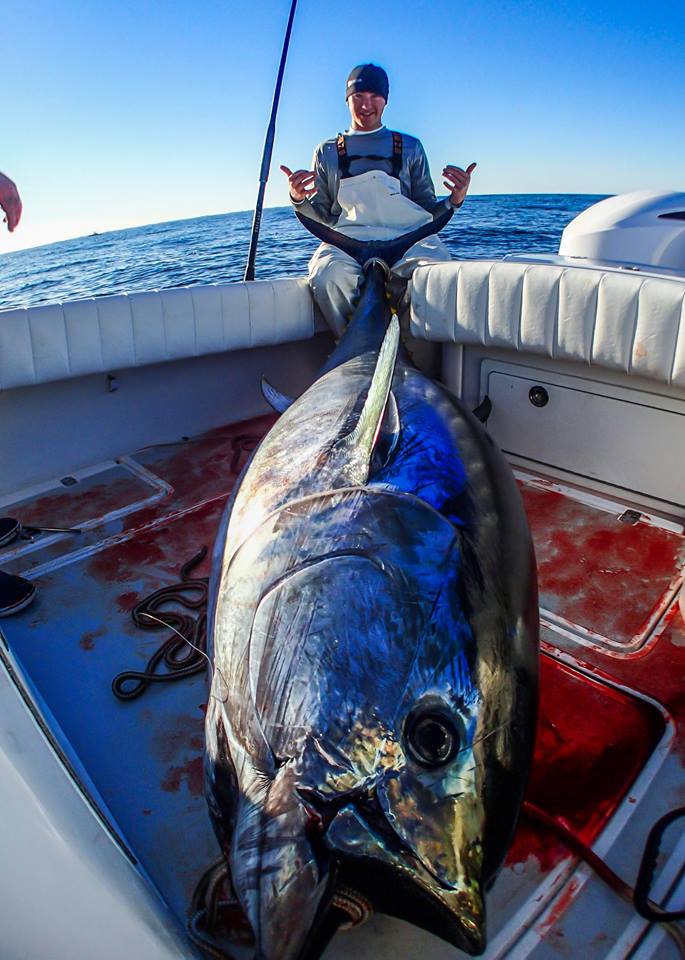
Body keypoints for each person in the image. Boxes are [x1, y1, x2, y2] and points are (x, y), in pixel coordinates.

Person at [281, 63, 476, 337]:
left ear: (386, 100)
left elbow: (427, 209)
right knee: (327, 278)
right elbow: (323, 216)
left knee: (439, 278)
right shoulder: (326, 151)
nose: (366, 105)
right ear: (347, 99)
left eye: (375, 96)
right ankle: (356, 353)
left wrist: (455, 199)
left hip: (409, 241)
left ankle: (410, 353)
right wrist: (298, 199)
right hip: (347, 244)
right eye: (358, 96)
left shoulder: (411, 147)